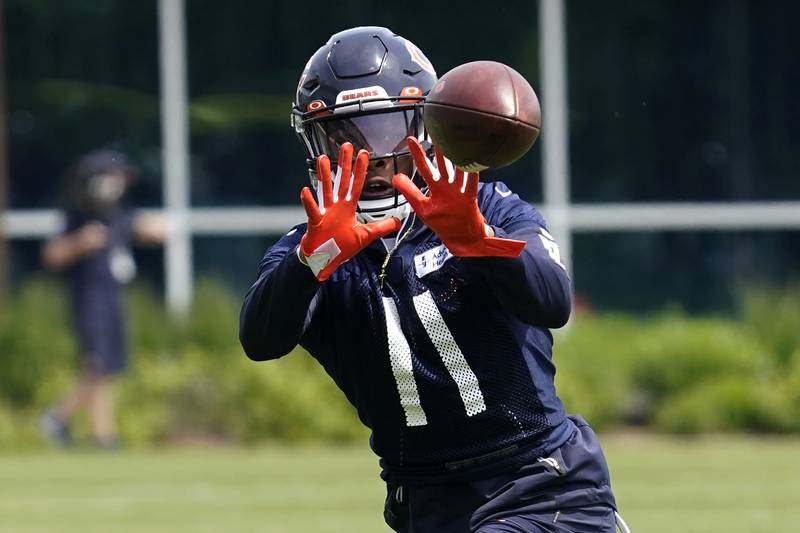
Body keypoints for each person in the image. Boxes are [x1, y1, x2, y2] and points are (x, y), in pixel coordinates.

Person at [240, 27, 629, 532]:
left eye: (387, 133)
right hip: (423, 502)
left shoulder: (488, 207)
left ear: (427, 128)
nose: (373, 158)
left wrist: (479, 241)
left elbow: (553, 301)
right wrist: (312, 261)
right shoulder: (308, 247)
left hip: (537, 481)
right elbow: (260, 339)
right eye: (345, 138)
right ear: (314, 144)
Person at [40, 149, 164, 449]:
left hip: (113, 298)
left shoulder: (118, 214)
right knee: (96, 365)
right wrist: (80, 242)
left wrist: (154, 230)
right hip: (88, 299)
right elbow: (52, 255)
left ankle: (64, 421)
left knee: (109, 367)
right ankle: (102, 435)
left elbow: (147, 229)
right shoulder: (78, 216)